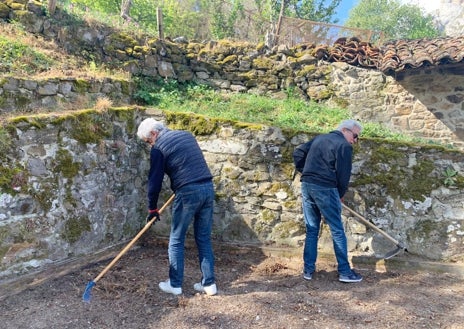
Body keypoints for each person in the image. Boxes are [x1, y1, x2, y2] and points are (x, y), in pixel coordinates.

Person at [137, 118, 217, 296]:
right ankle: (209, 284)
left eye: (148, 141)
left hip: (188, 193)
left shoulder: (159, 148)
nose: (150, 145)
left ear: (154, 134)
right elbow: (188, 163)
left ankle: (174, 284)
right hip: (207, 187)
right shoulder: (186, 135)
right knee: (203, 238)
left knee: (176, 239)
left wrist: (152, 209)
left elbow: (154, 181)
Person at [293, 119, 363, 283]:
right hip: (325, 188)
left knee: (312, 228)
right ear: (345, 130)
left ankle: (308, 270)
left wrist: (307, 171)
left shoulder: (319, 138)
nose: (355, 140)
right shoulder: (344, 146)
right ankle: (345, 272)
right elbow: (343, 174)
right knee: (337, 229)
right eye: (355, 136)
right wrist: (340, 193)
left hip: (307, 185)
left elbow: (298, 153)